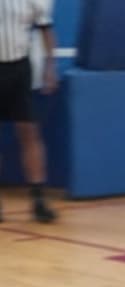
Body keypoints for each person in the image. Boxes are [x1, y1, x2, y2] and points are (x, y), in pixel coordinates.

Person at [0, 0, 58, 223]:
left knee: (28, 131)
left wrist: (50, 67)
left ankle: (39, 199)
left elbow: (46, 28)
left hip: (19, 68)